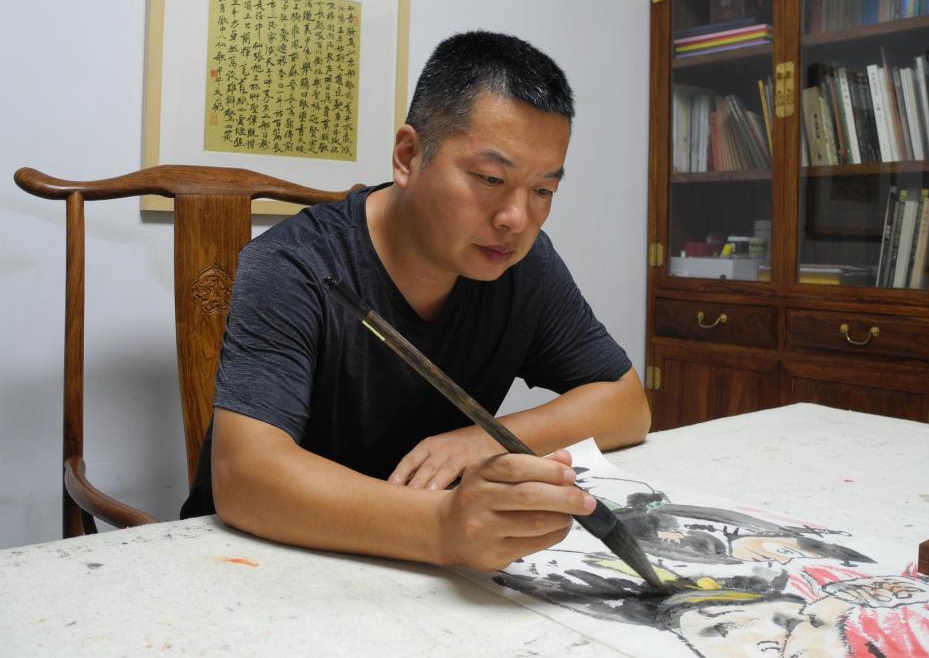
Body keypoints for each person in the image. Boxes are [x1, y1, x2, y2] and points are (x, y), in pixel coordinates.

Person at [181, 30, 651, 572]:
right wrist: (441, 525)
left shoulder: (521, 264)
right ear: (408, 155)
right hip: (262, 560)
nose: (516, 219)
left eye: (543, 190)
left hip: (412, 568)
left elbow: (627, 404)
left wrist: (481, 442)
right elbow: (245, 477)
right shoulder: (295, 264)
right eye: (490, 178)